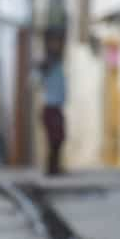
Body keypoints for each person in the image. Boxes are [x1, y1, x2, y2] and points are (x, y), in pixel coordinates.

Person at [39, 28, 66, 176]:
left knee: (59, 137)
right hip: (50, 106)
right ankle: (51, 168)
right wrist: (42, 69)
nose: (57, 45)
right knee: (54, 137)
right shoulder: (47, 62)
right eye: (54, 42)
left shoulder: (57, 61)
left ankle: (55, 166)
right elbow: (34, 79)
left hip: (57, 106)